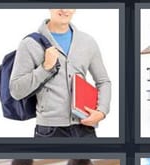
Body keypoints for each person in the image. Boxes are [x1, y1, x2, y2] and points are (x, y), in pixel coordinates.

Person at [9, 9, 111, 138]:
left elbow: (103, 82)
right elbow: (16, 91)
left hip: (85, 127)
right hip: (49, 131)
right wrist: (45, 68)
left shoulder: (88, 41)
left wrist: (102, 111)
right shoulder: (30, 44)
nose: (64, 9)